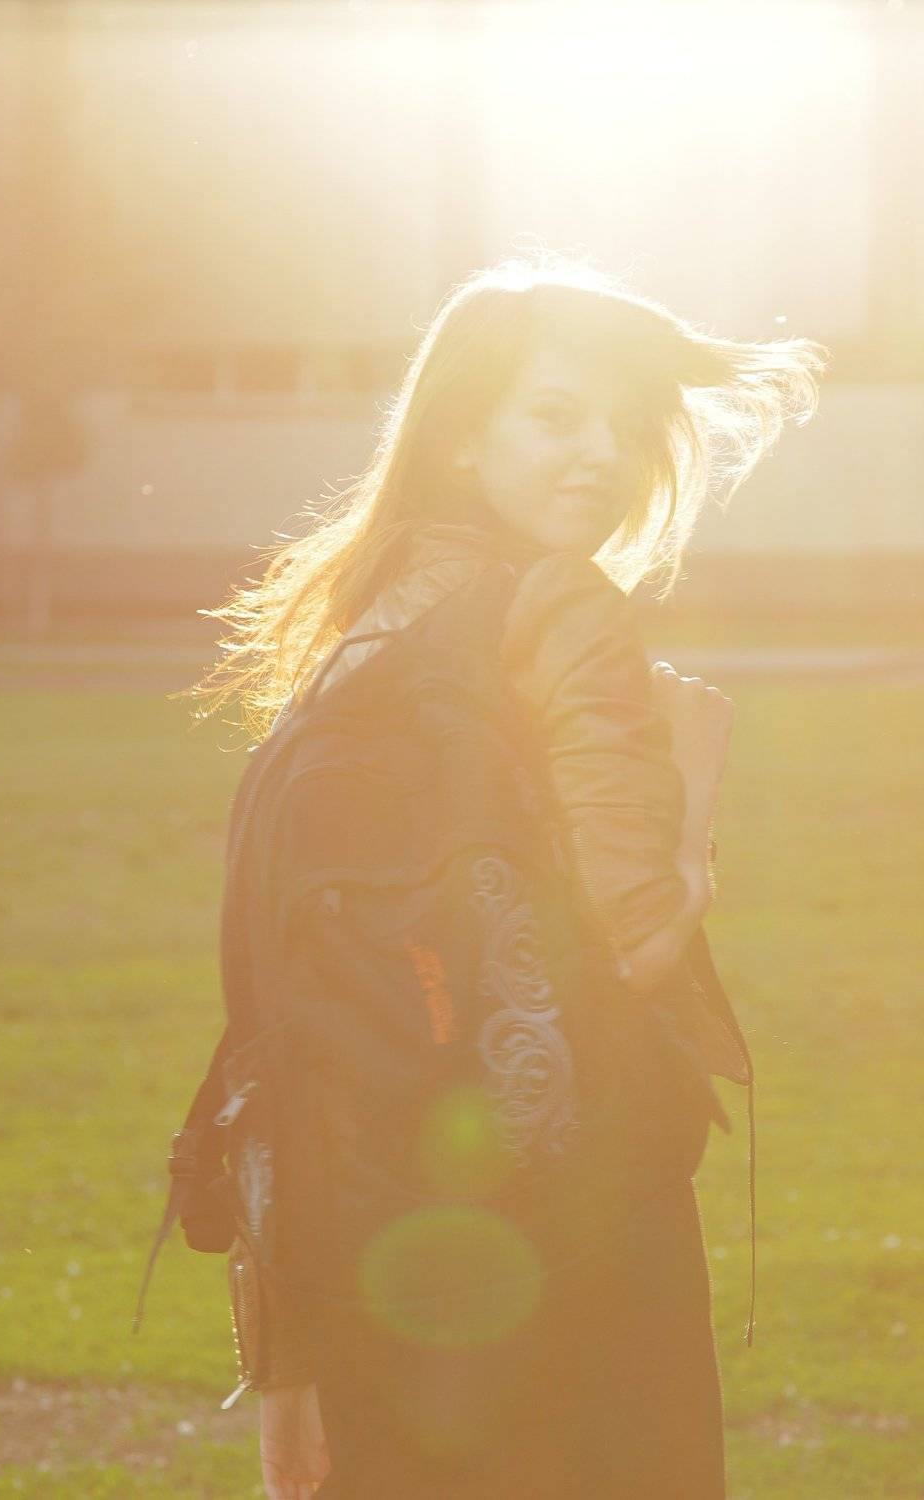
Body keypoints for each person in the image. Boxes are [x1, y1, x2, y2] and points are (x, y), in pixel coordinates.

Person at [194, 252, 828, 1498]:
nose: (600, 454)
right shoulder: (560, 608)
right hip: (571, 1242)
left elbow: (273, 1021)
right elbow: (637, 940)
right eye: (555, 416)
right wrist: (694, 788)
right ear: (461, 438)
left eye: (623, 425)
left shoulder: (354, 645)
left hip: (374, 1255)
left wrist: (288, 1353)